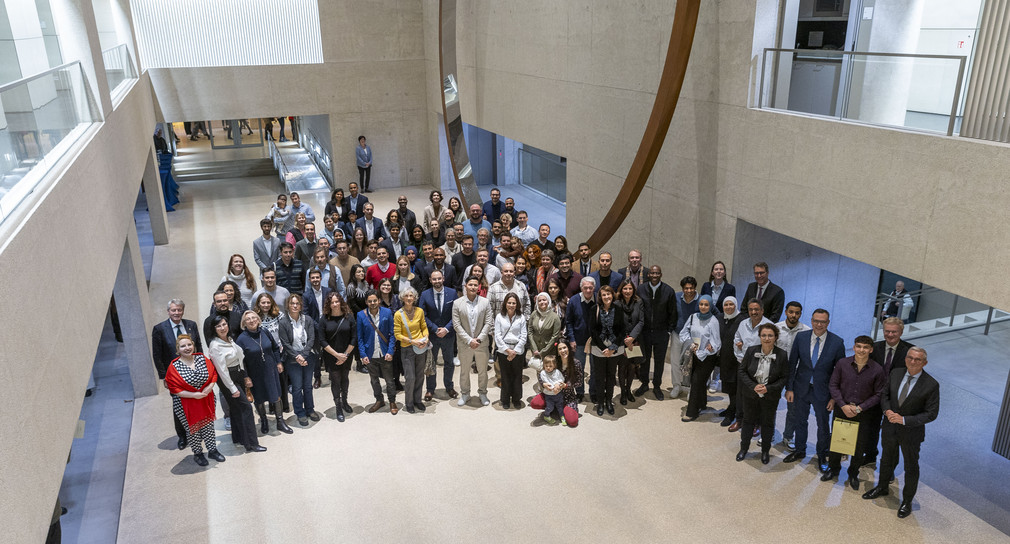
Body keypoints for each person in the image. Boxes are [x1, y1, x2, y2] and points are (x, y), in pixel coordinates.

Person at [861, 347, 940, 519]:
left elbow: (931, 413)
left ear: (924, 363)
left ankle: (907, 501)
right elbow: (884, 396)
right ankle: (882, 487)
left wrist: (904, 420)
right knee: (886, 459)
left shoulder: (931, 384)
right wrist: (887, 412)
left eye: (917, 360)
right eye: (910, 358)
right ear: (905, 359)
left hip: (911, 433)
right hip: (889, 427)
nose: (913, 361)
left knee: (910, 466)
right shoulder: (896, 373)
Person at [784, 309, 847, 472]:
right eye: (816, 321)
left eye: (823, 322)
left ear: (828, 323)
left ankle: (822, 454)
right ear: (811, 321)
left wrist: (834, 397)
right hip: (800, 388)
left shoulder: (837, 342)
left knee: (822, 425)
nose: (819, 324)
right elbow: (792, 364)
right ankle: (799, 450)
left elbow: (840, 372)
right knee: (800, 421)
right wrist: (789, 388)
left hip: (823, 392)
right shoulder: (801, 337)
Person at [823, 335, 886, 488]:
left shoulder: (877, 369)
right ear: (854, 347)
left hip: (863, 413)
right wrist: (843, 405)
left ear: (871, 350)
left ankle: (853, 473)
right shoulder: (842, 363)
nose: (861, 350)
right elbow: (833, 385)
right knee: (837, 442)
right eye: (858, 346)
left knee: (859, 445)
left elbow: (879, 394)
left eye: (865, 347)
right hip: (842, 409)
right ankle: (833, 468)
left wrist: (860, 408)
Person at [207, 316, 265, 452]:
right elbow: (222, 371)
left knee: (236, 409)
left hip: (237, 374)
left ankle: (238, 437)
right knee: (246, 408)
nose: (222, 328)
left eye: (224, 324)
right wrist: (232, 388)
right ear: (214, 329)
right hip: (228, 379)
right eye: (219, 326)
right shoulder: (215, 345)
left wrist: (244, 376)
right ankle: (251, 443)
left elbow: (239, 358)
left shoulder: (230, 339)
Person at [151, 299, 202, 450]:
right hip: (174, 376)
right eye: (173, 310)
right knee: (179, 405)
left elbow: (198, 348)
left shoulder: (191, 325)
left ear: (183, 311)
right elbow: (157, 355)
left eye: (179, 310)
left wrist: (202, 367)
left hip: (193, 371)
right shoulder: (159, 329)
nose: (176, 313)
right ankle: (182, 436)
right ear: (168, 311)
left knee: (196, 402)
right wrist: (163, 377)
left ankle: (198, 431)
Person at [165, 335, 224, 466]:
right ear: (178, 349)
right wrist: (194, 395)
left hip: (205, 399)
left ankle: (212, 450)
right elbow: (173, 388)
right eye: (183, 346)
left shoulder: (201, 358)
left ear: (193, 345)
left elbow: (213, 373)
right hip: (186, 404)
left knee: (208, 426)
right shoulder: (174, 366)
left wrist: (209, 388)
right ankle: (198, 453)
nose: (187, 348)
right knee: (193, 429)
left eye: (189, 345)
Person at [736, 324, 790, 464]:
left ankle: (765, 451)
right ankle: (744, 449)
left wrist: (769, 388)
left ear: (776, 337)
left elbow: (784, 377)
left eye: (770, 335)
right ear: (759, 337)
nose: (767, 338)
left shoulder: (782, 355)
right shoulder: (751, 350)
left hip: (770, 395)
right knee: (748, 421)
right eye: (764, 335)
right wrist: (753, 386)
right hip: (750, 394)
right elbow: (742, 371)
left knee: (767, 423)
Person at [865, 317, 915, 465]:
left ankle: (889, 467)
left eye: (894, 332)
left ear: (901, 332)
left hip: (896, 402)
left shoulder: (910, 352)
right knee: (870, 430)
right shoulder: (875, 348)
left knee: (892, 436)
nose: (890, 335)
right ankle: (869, 457)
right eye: (887, 331)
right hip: (874, 397)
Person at [729, 298, 772, 432]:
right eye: (751, 310)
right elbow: (737, 340)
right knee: (741, 394)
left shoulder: (769, 325)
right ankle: (739, 419)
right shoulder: (743, 324)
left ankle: (756, 423)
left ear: (762, 310)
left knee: (757, 395)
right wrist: (740, 357)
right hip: (744, 364)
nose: (753, 312)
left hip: (761, 366)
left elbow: (771, 345)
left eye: (756, 309)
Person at [635, 265, 677, 400]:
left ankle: (657, 386)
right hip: (645, 331)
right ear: (648, 275)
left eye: (657, 273)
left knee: (659, 361)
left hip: (661, 332)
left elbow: (673, 312)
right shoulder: (641, 289)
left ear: (661, 274)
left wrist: (669, 330)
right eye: (652, 273)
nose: (654, 275)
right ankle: (644, 383)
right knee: (644, 359)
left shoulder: (668, 291)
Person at [452, 276, 494, 407]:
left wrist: (479, 339)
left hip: (482, 343)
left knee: (482, 370)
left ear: (479, 287)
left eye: (475, 285)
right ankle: (465, 393)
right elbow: (456, 325)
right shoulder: (457, 303)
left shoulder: (485, 302)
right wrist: (470, 340)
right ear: (466, 286)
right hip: (465, 344)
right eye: (470, 285)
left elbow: (488, 322)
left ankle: (482, 393)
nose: (473, 287)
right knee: (464, 371)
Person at [679, 295, 722, 421]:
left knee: (697, 381)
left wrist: (708, 349)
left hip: (707, 357)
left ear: (710, 306)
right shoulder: (693, 317)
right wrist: (691, 343)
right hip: (694, 353)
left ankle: (692, 411)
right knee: (698, 381)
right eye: (701, 304)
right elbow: (684, 332)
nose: (703, 307)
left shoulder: (713, 321)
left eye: (706, 305)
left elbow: (716, 341)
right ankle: (702, 404)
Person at [278, 294, 318, 426]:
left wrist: (304, 355)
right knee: (297, 387)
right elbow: (285, 343)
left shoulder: (308, 320)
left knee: (307, 385)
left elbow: (311, 338)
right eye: (292, 303)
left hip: (308, 356)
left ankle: (310, 409)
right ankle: (300, 413)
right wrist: (297, 356)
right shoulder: (283, 322)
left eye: (297, 303)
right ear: (288, 305)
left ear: (301, 306)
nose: (295, 306)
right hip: (292, 358)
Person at [317, 292, 356, 422]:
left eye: (337, 301)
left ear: (341, 302)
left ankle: (345, 401)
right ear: (328, 304)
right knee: (335, 380)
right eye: (332, 302)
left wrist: (345, 355)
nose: (335, 304)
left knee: (345, 378)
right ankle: (338, 406)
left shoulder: (349, 316)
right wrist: (336, 354)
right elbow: (322, 340)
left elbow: (354, 337)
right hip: (331, 355)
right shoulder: (324, 319)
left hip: (346, 354)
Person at [777, 301, 810, 449]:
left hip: (796, 374)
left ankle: (788, 436)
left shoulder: (806, 331)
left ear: (800, 314)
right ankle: (768, 433)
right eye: (791, 312)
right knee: (770, 405)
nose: (794, 315)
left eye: (797, 313)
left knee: (793, 408)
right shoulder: (776, 328)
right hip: (776, 372)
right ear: (786, 312)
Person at [420, 269, 458, 400]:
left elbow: (456, 314)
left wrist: (446, 329)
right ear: (430, 280)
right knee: (431, 362)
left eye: (439, 278)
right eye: (434, 279)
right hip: (432, 335)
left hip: (448, 335)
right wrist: (436, 329)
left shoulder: (452, 293)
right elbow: (422, 315)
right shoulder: (424, 295)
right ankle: (430, 389)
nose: (437, 281)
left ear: (443, 279)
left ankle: (449, 387)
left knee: (449, 362)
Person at [591, 285, 626, 416]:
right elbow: (593, 330)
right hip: (598, 348)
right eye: (604, 295)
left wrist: (612, 348)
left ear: (613, 295)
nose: (606, 297)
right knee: (599, 377)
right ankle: (600, 402)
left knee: (611, 376)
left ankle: (608, 401)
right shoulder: (594, 309)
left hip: (615, 349)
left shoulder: (618, 309)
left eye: (608, 294)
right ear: (600, 297)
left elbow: (623, 330)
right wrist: (603, 348)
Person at [530, 342, 582, 427]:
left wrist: (566, 385)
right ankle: (555, 408)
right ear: (557, 352)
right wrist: (544, 384)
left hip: (567, 396)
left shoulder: (576, 363)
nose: (563, 351)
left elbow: (579, 382)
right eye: (560, 349)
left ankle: (558, 408)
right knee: (534, 403)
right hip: (550, 393)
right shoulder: (553, 361)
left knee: (572, 421)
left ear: (568, 348)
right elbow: (541, 373)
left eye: (564, 348)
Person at [717, 297, 746, 427]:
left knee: (735, 388)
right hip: (724, 358)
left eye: (731, 304)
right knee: (728, 387)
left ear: (736, 305)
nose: (728, 307)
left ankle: (732, 413)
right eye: (726, 305)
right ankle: (731, 408)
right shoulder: (720, 318)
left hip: (737, 359)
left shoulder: (742, 319)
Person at [566, 276, 597, 401]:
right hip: (578, 340)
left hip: (596, 341)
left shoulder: (599, 299)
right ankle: (579, 392)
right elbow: (569, 322)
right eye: (585, 288)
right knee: (579, 367)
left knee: (595, 368)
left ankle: (593, 392)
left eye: (590, 288)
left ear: (594, 288)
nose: (588, 290)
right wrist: (572, 339)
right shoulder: (574, 300)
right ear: (581, 288)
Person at [494, 293, 527, 409]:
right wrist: (507, 350)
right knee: (505, 376)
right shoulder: (499, 317)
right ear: (505, 304)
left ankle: (517, 399)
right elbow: (497, 335)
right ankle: (505, 399)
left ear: (517, 304)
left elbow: (524, 336)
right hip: (504, 351)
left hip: (518, 351)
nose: (511, 305)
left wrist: (515, 351)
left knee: (517, 376)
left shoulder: (521, 317)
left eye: (514, 303)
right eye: (509, 303)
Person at [616, 280, 644, 405]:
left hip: (635, 340)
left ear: (633, 290)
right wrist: (625, 339)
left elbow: (641, 321)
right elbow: (615, 323)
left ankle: (628, 390)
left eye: (630, 289)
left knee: (632, 366)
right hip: (621, 340)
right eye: (625, 289)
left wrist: (632, 337)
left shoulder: (639, 302)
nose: (627, 291)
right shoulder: (616, 303)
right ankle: (622, 392)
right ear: (621, 290)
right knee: (622, 367)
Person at [527, 291, 562, 368]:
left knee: (549, 372)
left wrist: (543, 352)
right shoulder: (534, 314)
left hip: (549, 351)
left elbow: (555, 336)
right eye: (539, 300)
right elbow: (530, 331)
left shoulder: (555, 317)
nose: (542, 302)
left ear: (548, 301)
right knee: (539, 371)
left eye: (544, 300)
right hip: (536, 350)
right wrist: (534, 349)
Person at [538, 355, 565, 423]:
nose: (548, 368)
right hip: (549, 395)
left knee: (560, 406)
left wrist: (558, 384)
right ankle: (546, 416)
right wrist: (554, 388)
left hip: (558, 394)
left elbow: (562, 379)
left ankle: (562, 416)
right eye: (546, 366)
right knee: (550, 407)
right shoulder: (543, 373)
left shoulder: (557, 372)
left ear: (554, 366)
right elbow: (546, 382)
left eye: (550, 366)